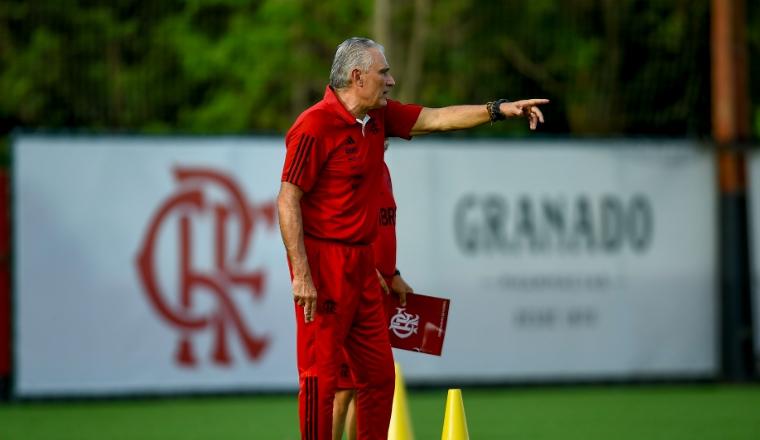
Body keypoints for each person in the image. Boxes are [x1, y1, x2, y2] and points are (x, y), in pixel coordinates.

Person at [278, 36, 547, 440]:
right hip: (324, 266)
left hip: (363, 268)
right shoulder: (313, 125)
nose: (391, 80)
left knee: (379, 376)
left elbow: (439, 118)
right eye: (383, 72)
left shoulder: (378, 118)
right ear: (357, 77)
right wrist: (301, 274)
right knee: (321, 378)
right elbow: (287, 200)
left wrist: (499, 109)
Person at [332, 140, 412, 440]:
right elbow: (335, 231)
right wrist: (365, 269)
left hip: (376, 293)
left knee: (363, 386)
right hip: (348, 290)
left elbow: (380, 230)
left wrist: (394, 273)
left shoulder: (382, 170)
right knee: (341, 391)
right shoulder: (348, 174)